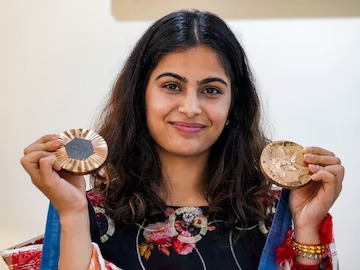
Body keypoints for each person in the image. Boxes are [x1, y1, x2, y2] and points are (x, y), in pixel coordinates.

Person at [20, 9, 344, 270]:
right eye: (172, 86)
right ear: (140, 97)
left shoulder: (272, 216)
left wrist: (306, 227)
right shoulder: (92, 215)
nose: (190, 108)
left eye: (211, 90)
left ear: (234, 104)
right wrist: (74, 214)